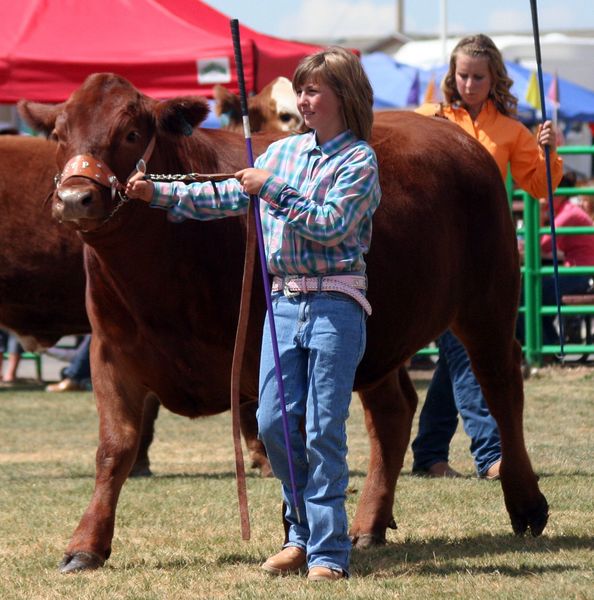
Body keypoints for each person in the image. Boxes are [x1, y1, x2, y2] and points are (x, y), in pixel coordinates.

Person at [126, 46, 381, 581]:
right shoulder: (283, 153)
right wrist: (159, 195)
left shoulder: (359, 160)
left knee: (322, 430)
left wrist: (275, 190)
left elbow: (333, 224)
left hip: (336, 303)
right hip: (285, 305)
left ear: (344, 96)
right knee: (272, 423)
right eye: (302, 90)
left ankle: (328, 551)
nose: (303, 100)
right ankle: (302, 532)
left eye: (313, 91)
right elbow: (224, 195)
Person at [411, 34, 563, 480]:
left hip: (483, 259)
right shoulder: (428, 120)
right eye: (463, 75)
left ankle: (429, 453)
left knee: (458, 352)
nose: (470, 84)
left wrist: (548, 153)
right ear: (451, 76)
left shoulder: (512, 131)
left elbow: (540, 187)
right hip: (435, 255)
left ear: (494, 78)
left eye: (479, 76)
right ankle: (489, 453)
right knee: (464, 350)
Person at [516, 171, 594, 346]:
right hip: (576, 272)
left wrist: (540, 215)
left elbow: (541, 244)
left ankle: (545, 346)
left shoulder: (569, 213)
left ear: (560, 193)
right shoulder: (564, 211)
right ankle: (547, 345)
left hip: (582, 275)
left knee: (525, 295)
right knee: (528, 293)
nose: (544, 195)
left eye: (548, 191)